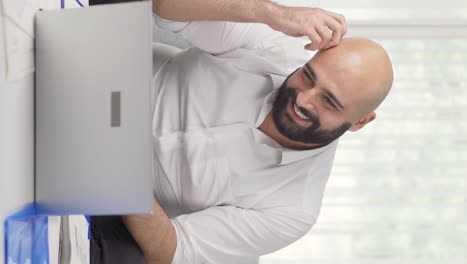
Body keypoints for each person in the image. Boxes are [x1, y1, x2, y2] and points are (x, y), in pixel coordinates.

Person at [90, 0, 394, 263]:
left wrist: (121, 161)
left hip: (115, 192)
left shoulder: (294, 209)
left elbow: (171, 250)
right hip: (104, 72)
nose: (303, 99)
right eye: (308, 75)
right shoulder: (279, 43)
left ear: (360, 122)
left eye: (328, 101)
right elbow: (165, 8)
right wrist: (272, 13)